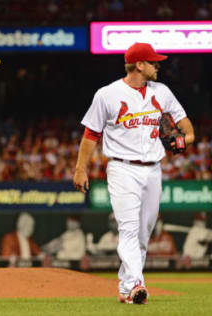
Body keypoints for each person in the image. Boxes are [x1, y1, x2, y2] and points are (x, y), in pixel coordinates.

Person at [73, 42, 195, 304]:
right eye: (153, 62)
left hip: (153, 169)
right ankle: (137, 285)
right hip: (121, 168)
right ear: (139, 65)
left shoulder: (162, 92)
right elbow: (90, 134)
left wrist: (186, 139)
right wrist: (80, 168)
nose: (158, 65)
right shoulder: (107, 94)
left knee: (143, 233)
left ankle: (125, 287)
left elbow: (186, 125)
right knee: (128, 229)